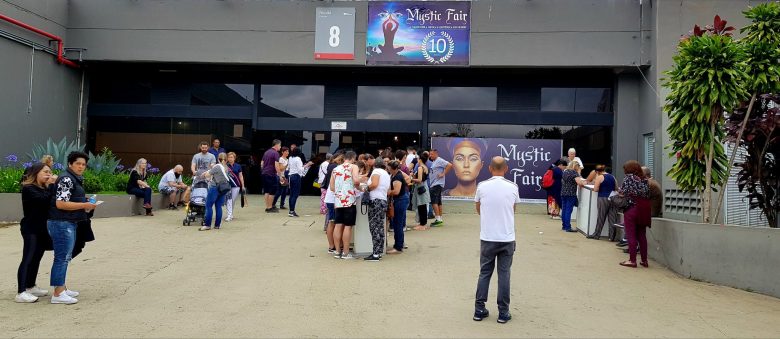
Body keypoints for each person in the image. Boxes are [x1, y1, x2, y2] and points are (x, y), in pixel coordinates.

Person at [473, 156, 520, 324]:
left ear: (490, 168)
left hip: (487, 237)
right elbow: (513, 209)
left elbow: (478, 208)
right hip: (506, 237)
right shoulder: (513, 187)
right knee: (504, 274)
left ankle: (479, 309)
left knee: (484, 272)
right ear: (506, 169)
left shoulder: (482, 186)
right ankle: (503, 312)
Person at [48, 151, 97, 304]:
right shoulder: (67, 179)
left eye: (83, 164)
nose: (81, 167)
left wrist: (84, 200)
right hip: (62, 222)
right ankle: (58, 293)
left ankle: (62, 287)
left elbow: (68, 198)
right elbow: (61, 203)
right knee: (62, 258)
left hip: (67, 221)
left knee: (64, 257)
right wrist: (84, 204)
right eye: (78, 164)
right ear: (70, 164)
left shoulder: (71, 178)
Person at [16, 163, 55, 303]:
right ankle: (21, 292)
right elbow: (44, 201)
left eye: (50, 172)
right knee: (28, 258)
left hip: (42, 228)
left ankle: (31, 286)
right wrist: (52, 186)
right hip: (30, 228)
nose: (49, 174)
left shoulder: (43, 188)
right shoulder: (28, 188)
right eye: (45, 172)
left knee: (37, 258)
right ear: (36, 173)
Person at [619, 160, 651, 268]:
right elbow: (647, 194)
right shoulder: (645, 180)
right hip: (644, 209)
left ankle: (632, 260)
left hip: (632, 208)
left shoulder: (628, 178)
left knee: (631, 235)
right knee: (642, 235)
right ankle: (644, 260)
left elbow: (623, 192)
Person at [329, 151, 362, 259]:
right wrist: (359, 187)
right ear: (353, 158)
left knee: (338, 225)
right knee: (348, 226)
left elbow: (332, 187)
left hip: (338, 200)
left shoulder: (335, 169)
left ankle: (337, 251)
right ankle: (346, 252)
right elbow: (356, 180)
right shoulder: (354, 167)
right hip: (349, 200)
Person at [364, 158, 391, 261]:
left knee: (374, 226)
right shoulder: (386, 174)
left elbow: (374, 184)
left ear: (375, 165)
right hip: (383, 200)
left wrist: (366, 188)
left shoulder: (376, 171)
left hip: (375, 201)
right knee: (380, 227)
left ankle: (375, 254)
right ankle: (378, 252)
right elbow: (388, 191)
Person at [200, 152, 231, 231]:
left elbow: (207, 175)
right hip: (223, 189)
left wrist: (206, 173)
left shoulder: (216, 166)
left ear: (218, 159)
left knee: (209, 206)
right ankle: (217, 225)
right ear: (226, 160)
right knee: (218, 206)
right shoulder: (226, 168)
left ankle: (207, 225)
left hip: (214, 188)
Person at [588, 164, 618, 240]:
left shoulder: (599, 177)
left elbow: (596, 189)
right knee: (612, 217)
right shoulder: (612, 177)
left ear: (597, 172)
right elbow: (616, 188)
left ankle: (596, 234)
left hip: (603, 198)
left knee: (601, 216)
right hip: (613, 198)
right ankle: (612, 236)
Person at [387, 160, 410, 254]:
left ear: (393, 168)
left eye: (389, 168)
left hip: (400, 200)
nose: (388, 169)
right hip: (401, 199)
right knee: (398, 223)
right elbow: (408, 178)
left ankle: (398, 246)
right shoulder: (397, 174)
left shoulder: (397, 177)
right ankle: (400, 244)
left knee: (398, 223)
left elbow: (396, 191)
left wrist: (388, 192)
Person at [324, 153, 343, 252]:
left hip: (332, 199)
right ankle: (332, 246)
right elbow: (333, 186)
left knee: (332, 222)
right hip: (333, 199)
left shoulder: (332, 166)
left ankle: (333, 245)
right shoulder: (336, 168)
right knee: (333, 223)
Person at [428, 149, 453, 226]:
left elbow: (449, 165)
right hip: (435, 184)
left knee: (434, 202)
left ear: (436, 154)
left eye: (432, 154)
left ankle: (438, 219)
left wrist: (443, 173)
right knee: (438, 202)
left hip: (437, 184)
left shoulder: (439, 160)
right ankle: (440, 219)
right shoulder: (434, 161)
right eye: (430, 154)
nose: (430, 156)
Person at [287, 147, 313, 217]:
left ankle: (291, 210)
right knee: (295, 195)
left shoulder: (290, 158)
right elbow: (300, 169)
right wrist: (307, 164)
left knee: (291, 194)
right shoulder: (298, 159)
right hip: (296, 177)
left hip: (291, 176)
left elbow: (289, 167)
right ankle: (292, 211)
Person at [560, 160, 584, 232]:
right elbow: (580, 183)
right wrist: (579, 173)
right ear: (576, 166)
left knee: (564, 210)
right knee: (568, 210)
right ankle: (568, 227)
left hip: (563, 193)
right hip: (571, 194)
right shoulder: (574, 173)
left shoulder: (565, 172)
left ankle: (564, 226)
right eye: (578, 167)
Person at [411, 155, 431, 231]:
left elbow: (419, 180)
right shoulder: (425, 167)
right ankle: (423, 223)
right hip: (423, 187)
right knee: (423, 206)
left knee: (421, 206)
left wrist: (412, 179)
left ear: (420, 159)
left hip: (420, 188)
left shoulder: (420, 168)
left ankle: (423, 224)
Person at [262, 140, 282, 213]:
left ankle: (267, 207)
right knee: (272, 191)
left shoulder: (266, 152)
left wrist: (264, 170)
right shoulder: (275, 153)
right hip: (271, 174)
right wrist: (280, 175)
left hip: (264, 173)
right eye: (280, 145)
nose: (280, 147)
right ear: (276, 145)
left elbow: (262, 163)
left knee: (266, 191)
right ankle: (270, 208)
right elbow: (276, 165)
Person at [225, 152, 245, 222]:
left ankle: (231, 213)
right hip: (227, 186)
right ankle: (229, 215)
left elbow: (241, 176)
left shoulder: (238, 166)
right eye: (229, 157)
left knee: (232, 200)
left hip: (236, 185)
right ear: (227, 158)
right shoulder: (225, 166)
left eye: (232, 157)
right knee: (229, 200)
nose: (230, 159)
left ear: (234, 158)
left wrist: (243, 185)